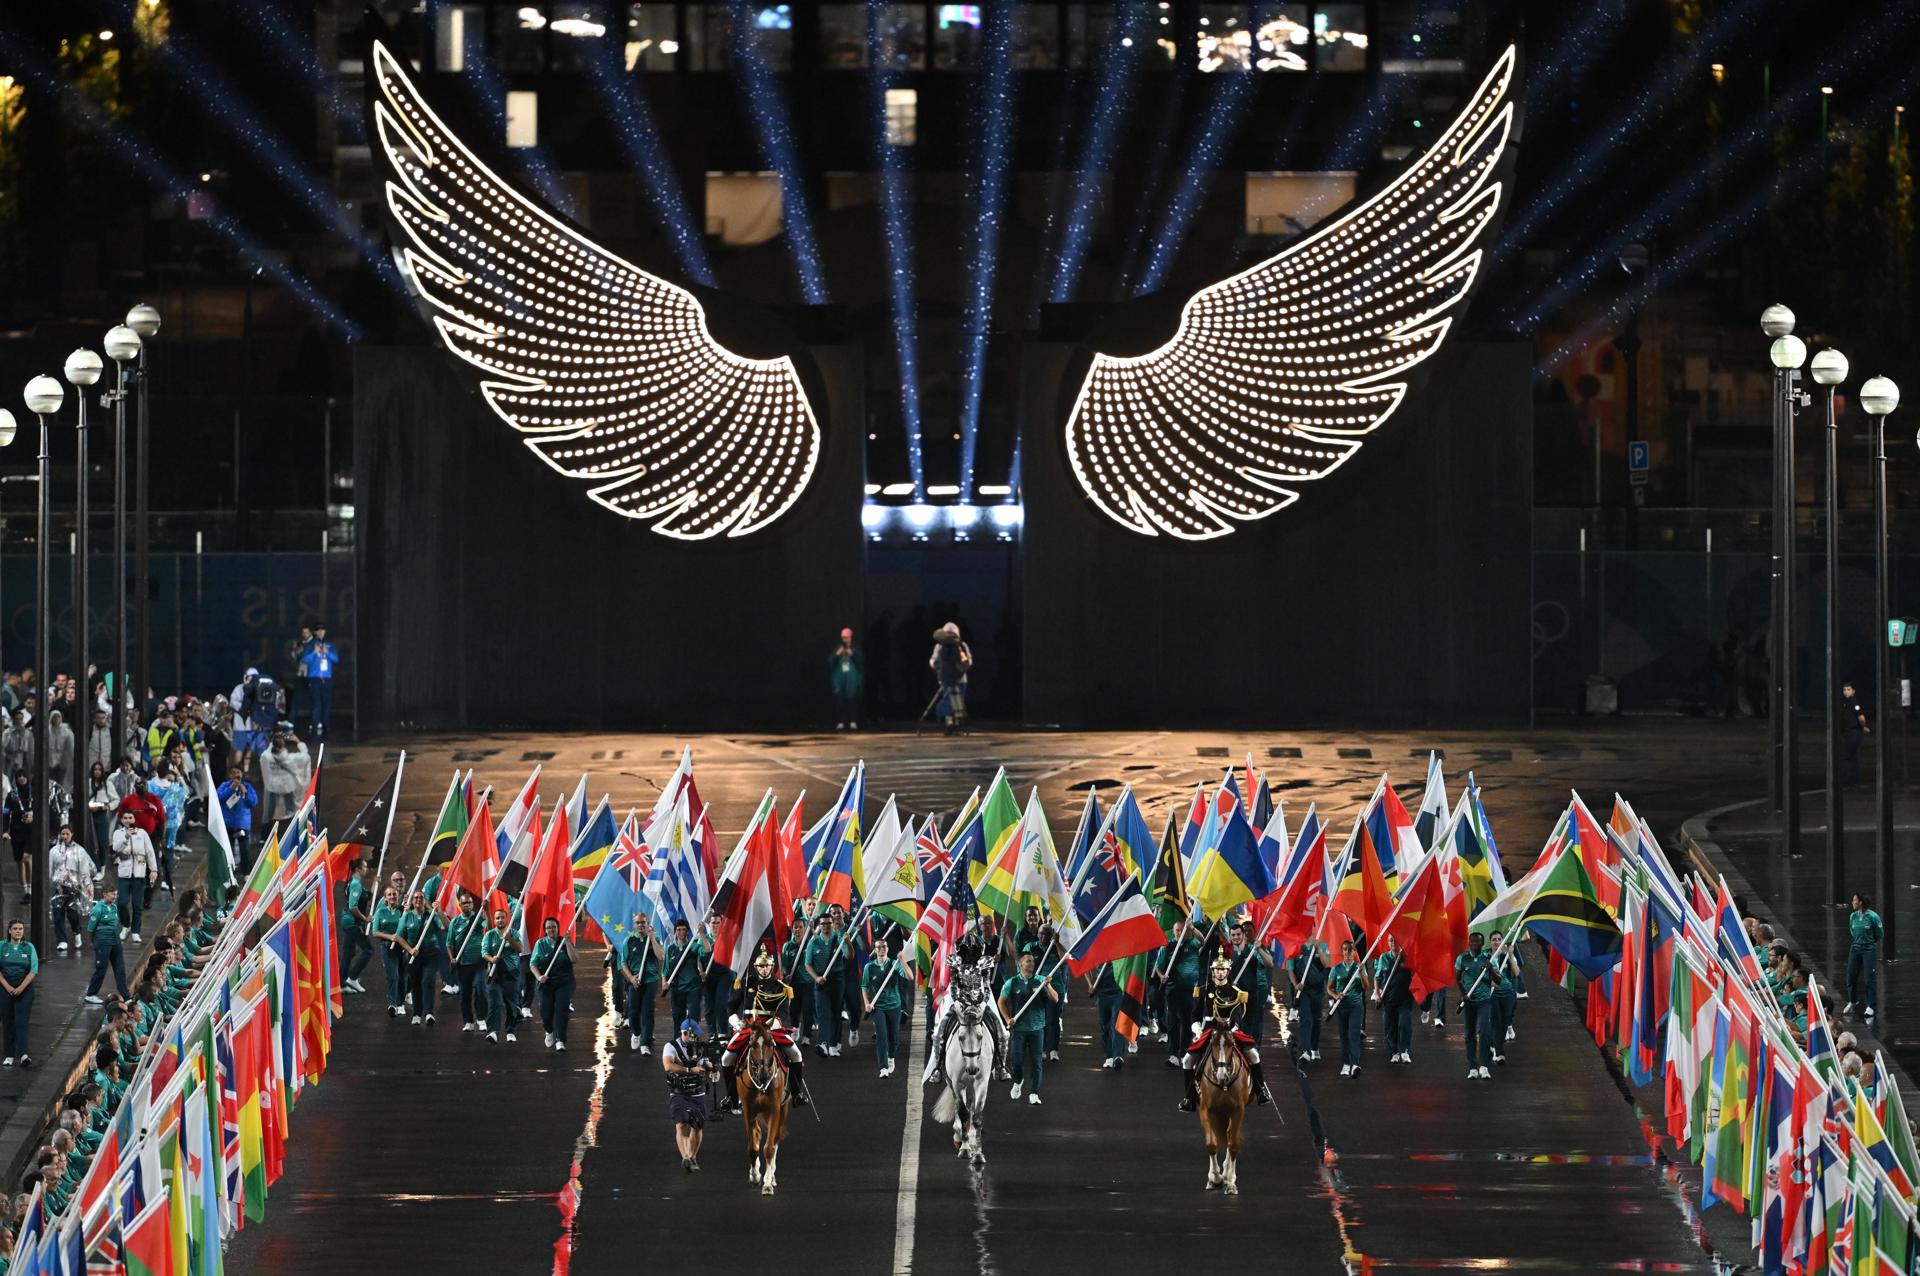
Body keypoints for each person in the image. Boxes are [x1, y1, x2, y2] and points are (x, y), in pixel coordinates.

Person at [717, 946, 809, 1112]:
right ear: (755, 967)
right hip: (748, 1027)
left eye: (767, 966)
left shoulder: (780, 987)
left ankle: (797, 1094)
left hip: (771, 1027)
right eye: (761, 966)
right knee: (726, 1058)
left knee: (796, 1054)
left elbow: (783, 1012)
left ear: (772, 967)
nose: (764, 969)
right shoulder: (744, 983)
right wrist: (736, 1023)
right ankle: (731, 1097)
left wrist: (769, 1026)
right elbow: (731, 1008)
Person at [1179, 950, 1272, 1109]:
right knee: (1187, 1060)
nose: (1220, 973)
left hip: (1231, 1030)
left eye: (1223, 970)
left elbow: (1238, 1013)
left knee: (1253, 1054)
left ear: (1228, 971)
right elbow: (1195, 1015)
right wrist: (1197, 1031)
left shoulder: (1237, 992)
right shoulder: (1203, 990)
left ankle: (1260, 1090)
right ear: (1212, 971)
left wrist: (1233, 1026)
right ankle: (1189, 1098)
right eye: (1217, 970)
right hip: (1209, 1031)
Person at [924, 929, 1009, 1085]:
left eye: (973, 951)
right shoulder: (955, 962)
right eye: (966, 951)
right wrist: (956, 1003)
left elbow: (986, 985)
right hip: (959, 1002)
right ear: (961, 951)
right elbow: (955, 984)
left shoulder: (985, 963)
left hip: (981, 1000)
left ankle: (1001, 1065)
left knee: (1002, 1031)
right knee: (938, 1033)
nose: (970, 955)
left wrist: (983, 1003)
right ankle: (938, 1068)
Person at [1000, 949, 1056, 1105]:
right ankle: (1018, 1081)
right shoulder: (1011, 982)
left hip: (1037, 1028)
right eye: (1028, 961)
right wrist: (1007, 1018)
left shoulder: (1041, 981)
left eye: (1032, 961)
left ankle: (1034, 1093)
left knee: (1037, 1062)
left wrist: (1049, 986)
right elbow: (1001, 1001)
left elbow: (1055, 999)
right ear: (1020, 964)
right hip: (1019, 1029)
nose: (1032, 963)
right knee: (1016, 1061)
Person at [662, 1019, 710, 1173]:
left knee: (697, 1125)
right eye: (692, 1035)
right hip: (679, 1093)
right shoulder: (671, 1047)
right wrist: (690, 1070)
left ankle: (692, 1156)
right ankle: (685, 1157)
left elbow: (706, 1063)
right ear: (685, 1033)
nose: (694, 1038)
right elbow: (668, 1066)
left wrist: (711, 1067)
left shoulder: (701, 1048)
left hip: (697, 1092)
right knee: (681, 1124)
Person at [862, 934, 912, 1077]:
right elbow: (864, 986)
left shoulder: (894, 965)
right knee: (881, 1036)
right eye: (879, 947)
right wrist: (867, 1003)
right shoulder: (869, 967)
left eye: (884, 946)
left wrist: (902, 960)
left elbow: (910, 976)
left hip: (894, 1006)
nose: (882, 949)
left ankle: (891, 1057)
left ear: (888, 949)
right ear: (875, 950)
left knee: (893, 1038)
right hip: (879, 1008)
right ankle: (883, 1067)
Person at [108, 810, 157, 944]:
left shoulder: (142, 833)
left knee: (137, 905)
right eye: (125, 818)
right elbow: (116, 848)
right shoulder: (118, 833)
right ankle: (126, 925)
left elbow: (149, 851)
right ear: (122, 820)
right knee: (122, 903)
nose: (128, 820)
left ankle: (135, 931)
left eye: (130, 817)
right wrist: (126, 837)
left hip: (139, 872)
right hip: (124, 872)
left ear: (134, 819)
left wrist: (153, 869)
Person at [396, 890, 445, 1024]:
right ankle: (417, 1014)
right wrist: (410, 949)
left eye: (421, 898)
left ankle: (429, 1013)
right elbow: (399, 936)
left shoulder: (431, 916)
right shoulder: (406, 916)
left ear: (425, 901)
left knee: (428, 981)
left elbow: (446, 926)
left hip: (431, 954)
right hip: (414, 956)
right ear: (412, 901)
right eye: (416, 898)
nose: (418, 900)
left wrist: (439, 911)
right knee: (415, 984)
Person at [620, 913, 664, 1054]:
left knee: (648, 1011)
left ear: (648, 923)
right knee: (633, 1010)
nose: (641, 925)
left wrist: (652, 940)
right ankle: (637, 1033)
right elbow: (622, 963)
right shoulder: (629, 940)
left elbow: (661, 956)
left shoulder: (654, 939)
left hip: (651, 980)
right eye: (638, 922)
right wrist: (631, 978)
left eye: (643, 922)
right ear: (634, 925)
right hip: (635, 982)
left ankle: (645, 1043)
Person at [1163, 919, 1205, 1066]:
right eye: (1177, 930)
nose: (1180, 933)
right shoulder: (1168, 946)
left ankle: (1184, 1053)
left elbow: (1202, 940)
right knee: (1173, 1022)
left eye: (1182, 930)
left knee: (1187, 1022)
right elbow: (1159, 966)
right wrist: (1161, 976)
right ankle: (1173, 1055)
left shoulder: (1192, 943)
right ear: (1174, 931)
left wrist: (1192, 928)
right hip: (1172, 989)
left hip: (1189, 990)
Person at [805, 910, 847, 1057]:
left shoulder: (840, 938)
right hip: (821, 983)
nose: (825, 926)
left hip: (837, 981)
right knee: (823, 1013)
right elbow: (807, 965)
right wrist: (816, 978)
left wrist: (847, 942)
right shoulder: (813, 943)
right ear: (819, 926)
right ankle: (822, 1043)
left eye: (828, 923)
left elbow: (849, 955)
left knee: (836, 1012)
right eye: (822, 924)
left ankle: (834, 1044)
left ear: (832, 924)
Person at [1456, 930, 1497, 1080]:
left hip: (1484, 1001)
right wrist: (1463, 994)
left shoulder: (1488, 959)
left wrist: (1491, 969)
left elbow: (1498, 981)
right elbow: (1458, 978)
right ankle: (1472, 1067)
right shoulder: (1462, 958)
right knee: (1469, 1035)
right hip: (1469, 1002)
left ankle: (1484, 1066)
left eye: (1478, 941)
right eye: (1472, 941)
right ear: (1469, 943)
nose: (1475, 944)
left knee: (1484, 1032)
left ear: (1482, 943)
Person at [47, 825, 94, 954]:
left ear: (72, 834)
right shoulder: (54, 851)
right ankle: (62, 940)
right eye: (63, 834)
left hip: (74, 887)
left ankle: (77, 930)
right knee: (57, 913)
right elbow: (50, 869)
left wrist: (87, 886)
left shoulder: (80, 851)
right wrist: (49, 884)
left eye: (67, 834)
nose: (65, 836)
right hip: (58, 886)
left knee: (72, 914)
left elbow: (84, 871)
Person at [1329, 939, 1372, 1077]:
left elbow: (1366, 987)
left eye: (1350, 949)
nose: (1347, 952)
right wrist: (1336, 995)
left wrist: (1360, 972)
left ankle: (1355, 1064)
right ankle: (1346, 1063)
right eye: (1345, 949)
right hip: (1342, 1007)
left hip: (1356, 1006)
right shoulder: (1336, 969)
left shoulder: (1360, 967)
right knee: (1344, 1036)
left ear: (1354, 952)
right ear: (1342, 951)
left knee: (1353, 1035)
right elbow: (1329, 988)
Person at [531, 917, 576, 1051]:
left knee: (562, 1010)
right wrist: (539, 977)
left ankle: (560, 1040)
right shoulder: (540, 944)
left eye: (554, 927)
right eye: (548, 927)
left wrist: (567, 942)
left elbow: (574, 959)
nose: (551, 930)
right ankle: (549, 1030)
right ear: (545, 930)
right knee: (546, 1013)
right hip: (546, 983)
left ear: (558, 928)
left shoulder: (565, 941)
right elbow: (533, 964)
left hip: (565, 982)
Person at [480, 906, 522, 1043]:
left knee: (511, 1005)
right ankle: (493, 1031)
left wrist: (509, 939)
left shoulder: (514, 933)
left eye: (502, 917)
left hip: (511, 974)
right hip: (494, 975)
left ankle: (510, 1030)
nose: (500, 920)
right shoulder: (489, 935)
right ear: (495, 920)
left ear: (507, 919)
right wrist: (492, 959)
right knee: (495, 1003)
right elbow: (484, 952)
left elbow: (520, 949)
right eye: (497, 918)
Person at [1229, 921, 1274, 1050]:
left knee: (1254, 1022)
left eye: (1248, 931)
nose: (1246, 933)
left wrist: (1259, 948)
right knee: (1236, 1023)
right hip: (1235, 995)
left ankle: (1254, 1050)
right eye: (1234, 935)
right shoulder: (1230, 951)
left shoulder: (1255, 950)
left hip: (1255, 992)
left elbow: (1270, 964)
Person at [447, 894, 488, 1032]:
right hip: (462, 963)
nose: (467, 906)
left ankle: (481, 1018)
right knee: (465, 993)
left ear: (472, 904)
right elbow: (449, 943)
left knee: (480, 988)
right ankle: (468, 1021)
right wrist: (452, 958)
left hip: (479, 962)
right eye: (464, 903)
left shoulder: (478, 918)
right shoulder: (455, 922)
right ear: (460, 905)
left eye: (469, 903)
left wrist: (486, 910)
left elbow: (487, 926)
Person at [0, 919, 37, 1068]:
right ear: (9, 931)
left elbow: (33, 970)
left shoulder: (28, 947)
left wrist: (21, 987)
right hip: (5, 987)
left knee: (21, 1021)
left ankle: (23, 1055)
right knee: (8, 1021)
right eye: (15, 928)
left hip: (25, 988)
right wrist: (8, 987)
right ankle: (9, 1055)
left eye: (20, 928)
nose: (18, 931)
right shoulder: (2, 946)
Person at [83, 883, 127, 1003]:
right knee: (101, 968)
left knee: (120, 968)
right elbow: (90, 929)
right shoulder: (97, 909)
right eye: (113, 894)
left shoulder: (114, 907)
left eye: (116, 894)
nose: (115, 897)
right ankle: (90, 994)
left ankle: (126, 995)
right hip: (103, 942)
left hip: (115, 940)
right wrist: (94, 943)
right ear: (105, 894)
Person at [1375, 935, 1417, 1064]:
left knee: (1404, 1024)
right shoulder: (1384, 957)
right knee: (1390, 1026)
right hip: (1389, 998)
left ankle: (1404, 1051)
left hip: (1405, 998)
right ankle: (1394, 1052)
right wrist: (1377, 993)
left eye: (1396, 939)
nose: (1393, 942)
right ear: (1388, 943)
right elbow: (1377, 977)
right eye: (1391, 940)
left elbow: (1416, 973)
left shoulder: (1407, 957)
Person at [1845, 893, 1884, 1018]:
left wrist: (1868, 942)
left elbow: (1879, 934)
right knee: (1851, 976)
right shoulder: (1853, 916)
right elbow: (1852, 931)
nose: (1852, 902)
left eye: (1854, 900)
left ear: (1860, 902)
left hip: (1868, 951)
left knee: (1869, 978)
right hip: (1855, 949)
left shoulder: (1873, 916)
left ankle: (1871, 1006)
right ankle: (1853, 1000)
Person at [929, 622, 972, 734]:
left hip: (960, 680)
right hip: (947, 679)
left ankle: (958, 724)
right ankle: (949, 724)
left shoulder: (962, 646)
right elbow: (933, 660)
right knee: (949, 700)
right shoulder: (939, 647)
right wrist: (938, 667)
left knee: (958, 702)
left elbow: (968, 661)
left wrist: (960, 668)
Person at [369, 885, 407, 1015]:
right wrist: (390, 937)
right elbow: (375, 932)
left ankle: (401, 1003)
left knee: (402, 977)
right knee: (393, 976)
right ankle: (392, 1004)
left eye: (394, 894)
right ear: (385, 898)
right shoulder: (380, 912)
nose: (392, 897)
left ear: (399, 896)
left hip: (402, 948)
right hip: (387, 948)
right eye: (389, 895)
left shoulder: (403, 911)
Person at [664, 919, 707, 1032]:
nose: (681, 932)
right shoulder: (670, 949)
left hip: (693, 987)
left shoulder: (693, 946)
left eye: (684, 929)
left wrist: (701, 933)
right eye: (678, 929)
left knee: (693, 1015)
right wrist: (664, 982)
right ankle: (678, 1042)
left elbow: (708, 949)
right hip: (677, 988)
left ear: (688, 931)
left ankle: (693, 1040)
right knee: (677, 1016)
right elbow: (665, 969)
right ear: (675, 932)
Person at [215, 765, 259, 875]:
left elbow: (253, 802)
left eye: (238, 772)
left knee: (245, 850)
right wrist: (231, 789)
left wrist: (246, 793)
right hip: (227, 823)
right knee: (227, 850)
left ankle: (246, 873)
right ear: (230, 775)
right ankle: (226, 873)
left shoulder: (247, 787)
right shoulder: (225, 786)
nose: (236, 774)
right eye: (233, 772)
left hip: (242, 824)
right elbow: (218, 799)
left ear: (241, 774)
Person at [259, 730, 310, 825]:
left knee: (269, 813)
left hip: (272, 788)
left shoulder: (266, 757)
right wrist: (298, 741)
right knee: (291, 811)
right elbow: (305, 756)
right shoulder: (291, 759)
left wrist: (274, 739)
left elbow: (265, 752)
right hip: (287, 788)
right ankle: (290, 829)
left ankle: (265, 835)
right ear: (283, 745)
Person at [1290, 938, 1329, 1062]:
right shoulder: (1295, 945)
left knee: (1316, 1019)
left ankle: (1314, 1047)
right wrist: (1296, 984)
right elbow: (1290, 969)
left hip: (1317, 989)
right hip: (1303, 989)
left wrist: (1319, 950)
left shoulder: (1322, 944)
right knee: (1305, 1019)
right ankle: (1306, 1051)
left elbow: (1327, 964)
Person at [339, 861, 374, 993]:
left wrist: (375, 883)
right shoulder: (355, 885)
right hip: (352, 923)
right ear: (358, 869)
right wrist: (365, 919)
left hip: (347, 921)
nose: (367, 869)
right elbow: (353, 907)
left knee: (348, 953)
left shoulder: (353, 883)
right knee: (368, 950)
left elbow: (366, 896)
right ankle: (352, 977)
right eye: (365, 867)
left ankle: (341, 984)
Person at [1488, 931, 1521, 1063]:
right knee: (1496, 1021)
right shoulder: (1487, 957)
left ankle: (1493, 1044)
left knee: (1505, 1022)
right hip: (1492, 994)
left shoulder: (1507, 956)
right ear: (1490, 942)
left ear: (1503, 941)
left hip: (1508, 994)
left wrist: (1511, 954)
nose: (1496, 942)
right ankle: (1499, 1051)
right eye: (1494, 939)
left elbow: (1517, 972)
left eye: (1499, 939)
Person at [300, 625, 337, 740]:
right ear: (315, 632)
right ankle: (315, 727)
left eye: (323, 630)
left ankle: (326, 726)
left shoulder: (330, 645)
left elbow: (336, 659)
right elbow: (304, 660)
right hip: (314, 678)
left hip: (327, 678)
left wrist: (328, 653)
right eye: (318, 630)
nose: (321, 632)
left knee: (326, 703)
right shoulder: (310, 645)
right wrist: (314, 653)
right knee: (316, 704)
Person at [1091, 959, 1127, 1069]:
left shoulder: (1120, 952)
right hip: (1102, 993)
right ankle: (1109, 1056)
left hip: (1117, 992)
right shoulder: (1097, 951)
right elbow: (1086, 967)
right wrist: (1090, 984)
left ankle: (1118, 1056)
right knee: (1104, 1025)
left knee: (1117, 1024)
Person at [4, 770, 32, 898]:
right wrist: (5, 831)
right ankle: (25, 891)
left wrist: (33, 816)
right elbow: (5, 813)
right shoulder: (12, 795)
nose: (21, 778)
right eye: (19, 776)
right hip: (16, 831)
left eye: (23, 775)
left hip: (31, 831)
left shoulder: (34, 792)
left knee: (27, 858)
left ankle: (31, 890)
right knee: (19, 861)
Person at [830, 627, 863, 730]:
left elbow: (861, 662)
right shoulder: (837, 648)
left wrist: (852, 654)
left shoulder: (855, 648)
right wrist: (837, 654)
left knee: (852, 699)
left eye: (847, 637)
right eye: (843, 638)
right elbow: (830, 662)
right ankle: (841, 721)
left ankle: (853, 721)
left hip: (852, 679)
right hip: (840, 679)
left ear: (850, 638)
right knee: (840, 700)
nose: (845, 640)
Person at [1839, 681, 1868, 786]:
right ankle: (1855, 780)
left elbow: (1861, 717)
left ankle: (1847, 780)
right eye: (1844, 690)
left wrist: (1863, 727)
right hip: (1850, 732)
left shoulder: (1853, 702)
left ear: (1853, 691)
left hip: (1853, 732)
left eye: (1848, 689)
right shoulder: (1846, 702)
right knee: (1853, 757)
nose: (1846, 692)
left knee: (1846, 756)